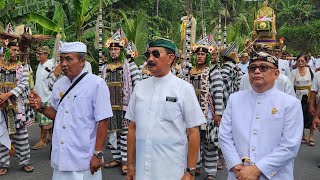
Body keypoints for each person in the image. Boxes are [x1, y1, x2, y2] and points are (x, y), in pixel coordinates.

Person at [28, 42, 112, 180]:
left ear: (82, 61)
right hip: (61, 156)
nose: (64, 64)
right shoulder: (59, 84)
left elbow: (102, 120)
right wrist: (41, 107)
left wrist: (98, 154)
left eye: (69, 59)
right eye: (61, 59)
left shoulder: (96, 84)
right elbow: (56, 114)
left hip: (84, 157)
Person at [125, 37, 206, 180]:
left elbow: (193, 131)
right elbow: (132, 127)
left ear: (170, 58)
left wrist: (190, 170)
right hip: (143, 170)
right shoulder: (140, 87)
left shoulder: (184, 89)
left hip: (172, 170)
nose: (150, 59)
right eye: (148, 55)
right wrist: (130, 165)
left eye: (156, 54)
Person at [219, 52, 303, 180]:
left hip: (274, 175)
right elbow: (224, 134)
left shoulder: (290, 104)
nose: (257, 71)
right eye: (252, 68)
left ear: (276, 73)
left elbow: (290, 146)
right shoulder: (234, 100)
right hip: (239, 174)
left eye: (263, 68)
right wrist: (235, 164)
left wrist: (258, 169)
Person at [102, 28, 141, 175]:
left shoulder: (130, 66)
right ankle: (117, 158)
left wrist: (135, 107)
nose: (113, 52)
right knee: (112, 132)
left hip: (125, 106)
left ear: (121, 50)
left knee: (125, 135)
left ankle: (125, 161)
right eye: (111, 49)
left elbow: (138, 88)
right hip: (110, 107)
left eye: (116, 49)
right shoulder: (105, 68)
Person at [189, 35, 224, 180]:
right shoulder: (189, 71)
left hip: (207, 113)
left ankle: (210, 172)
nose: (200, 56)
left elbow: (218, 92)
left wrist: (218, 114)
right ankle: (194, 166)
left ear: (208, 56)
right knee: (192, 139)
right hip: (191, 111)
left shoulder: (213, 72)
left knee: (209, 142)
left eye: (203, 54)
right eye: (198, 54)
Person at [0, 40, 34, 175]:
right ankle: (3, 163)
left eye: (17, 50)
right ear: (6, 50)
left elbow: (25, 83)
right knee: (1, 134)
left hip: (17, 107)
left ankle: (25, 162)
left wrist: (7, 95)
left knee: (21, 137)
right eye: (13, 49)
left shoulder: (23, 66)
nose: (15, 52)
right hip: (1, 106)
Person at [32, 46, 54, 150]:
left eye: (40, 54)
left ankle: (42, 140)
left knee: (45, 121)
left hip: (48, 97)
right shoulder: (40, 65)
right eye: (37, 53)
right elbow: (38, 81)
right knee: (44, 121)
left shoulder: (50, 65)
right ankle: (52, 137)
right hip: (40, 96)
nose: (38, 55)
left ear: (46, 55)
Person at [291, 54, 315, 146]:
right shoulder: (294, 72)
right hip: (298, 97)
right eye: (299, 61)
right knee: (300, 116)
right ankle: (303, 135)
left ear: (306, 61)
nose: (300, 63)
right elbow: (291, 85)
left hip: (310, 97)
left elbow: (315, 84)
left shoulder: (311, 71)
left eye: (302, 61)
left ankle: (311, 136)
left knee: (311, 115)